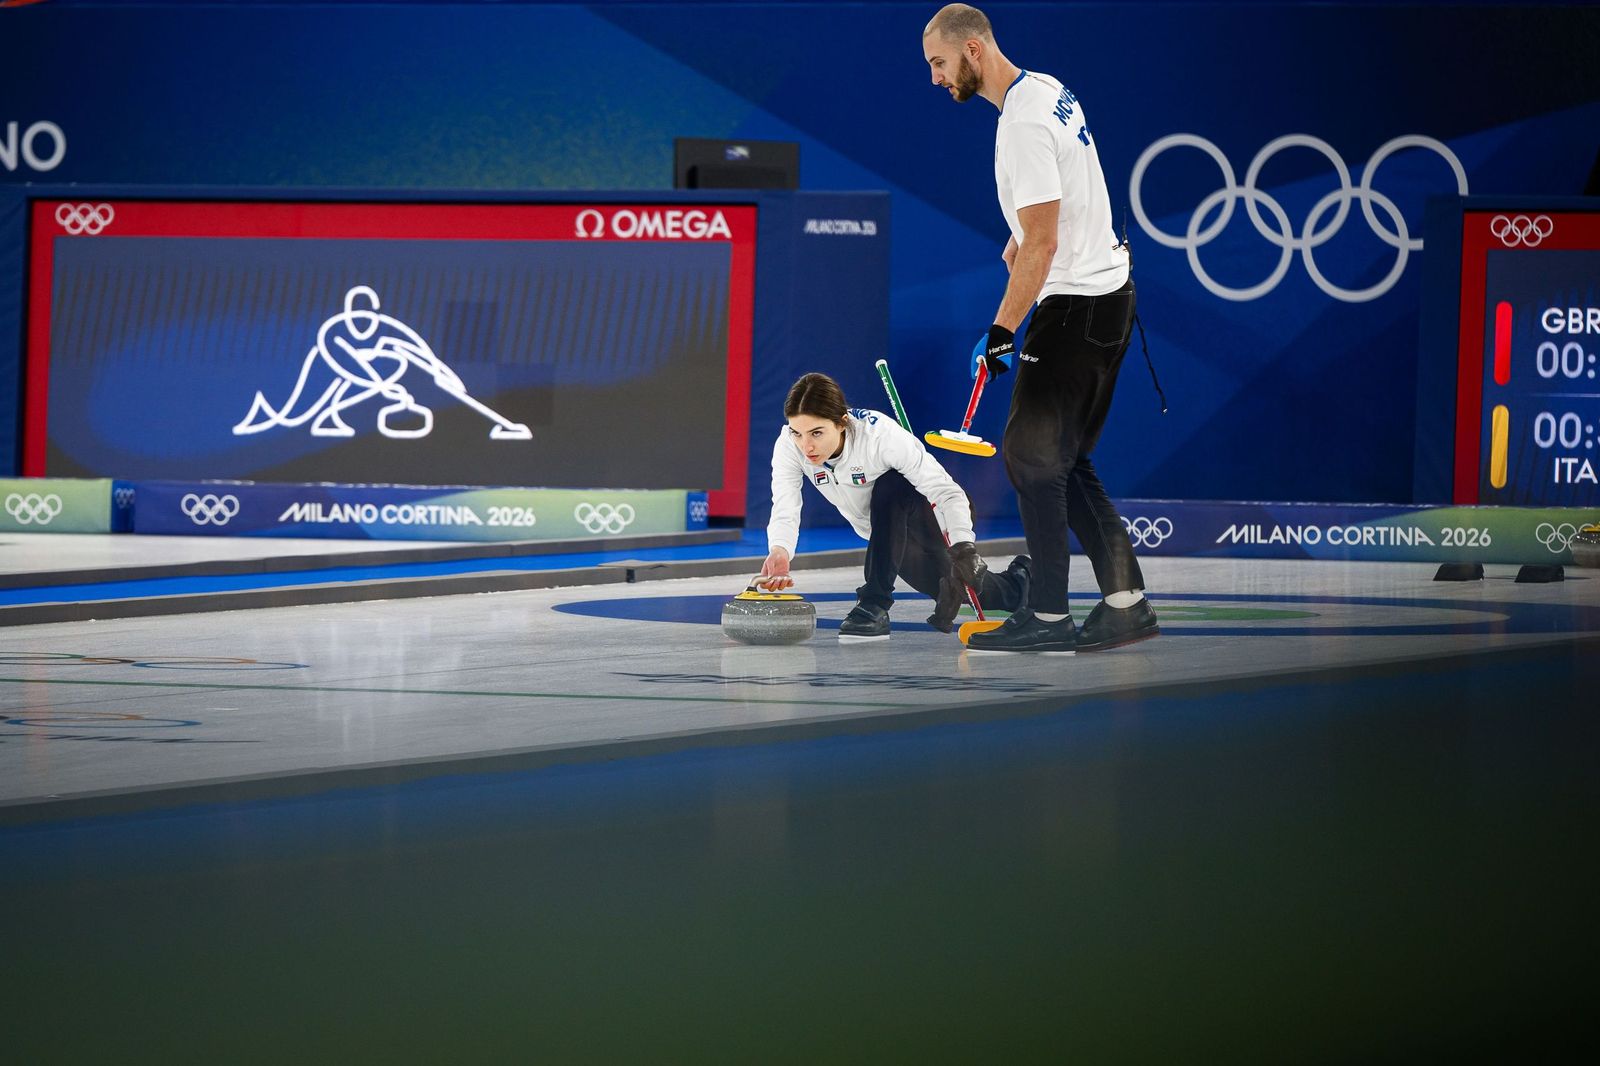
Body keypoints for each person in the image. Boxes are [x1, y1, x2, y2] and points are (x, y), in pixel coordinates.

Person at [921, 3, 1159, 654]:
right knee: (1062, 461)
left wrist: (1002, 328)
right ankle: (1125, 602)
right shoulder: (1046, 89)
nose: (936, 79)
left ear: (973, 51)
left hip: (1075, 307)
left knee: (1031, 461)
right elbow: (1062, 197)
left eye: (940, 64)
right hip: (1110, 295)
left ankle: (1049, 618)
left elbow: (1046, 244)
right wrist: (1019, 233)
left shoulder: (1020, 125)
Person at [759, 372, 1029, 640]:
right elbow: (785, 502)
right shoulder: (789, 446)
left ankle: (873, 604)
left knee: (891, 483)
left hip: (934, 516)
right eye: (797, 433)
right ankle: (1022, 580)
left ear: (842, 423)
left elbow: (947, 493)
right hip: (887, 537)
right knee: (977, 592)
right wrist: (781, 550)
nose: (806, 446)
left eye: (816, 433)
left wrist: (964, 548)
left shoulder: (880, 437)